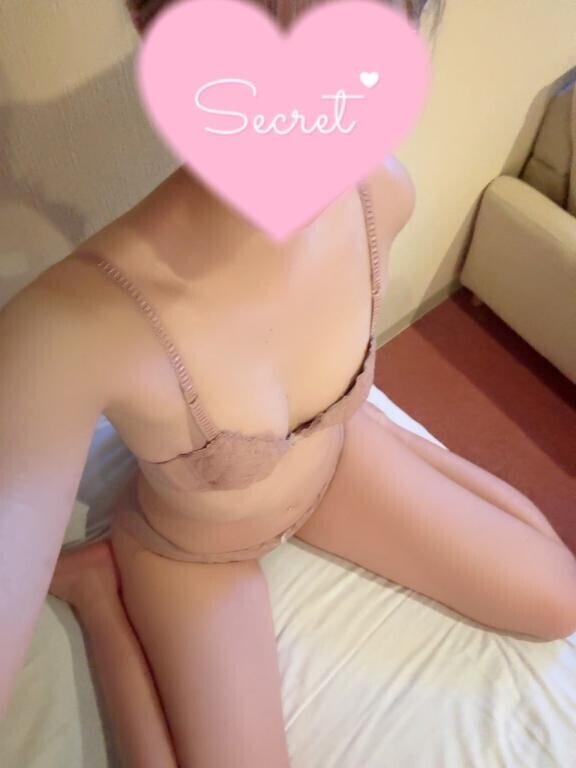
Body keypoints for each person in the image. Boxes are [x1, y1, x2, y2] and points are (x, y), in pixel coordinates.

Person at [2, 1, 575, 766]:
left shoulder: (381, 197)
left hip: (335, 468)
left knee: (559, 599)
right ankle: (100, 597)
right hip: (195, 553)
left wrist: (375, 427)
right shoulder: (68, 330)